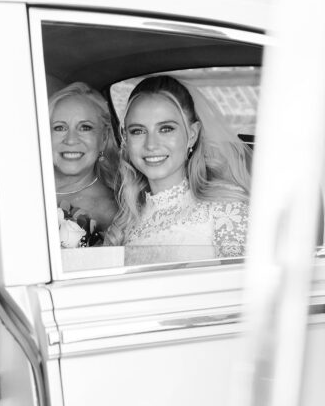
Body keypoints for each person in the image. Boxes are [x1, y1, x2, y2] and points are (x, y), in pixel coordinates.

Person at [107, 74, 251, 264]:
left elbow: (244, 289)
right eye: (138, 131)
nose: (151, 144)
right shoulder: (125, 223)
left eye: (166, 129)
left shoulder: (226, 209)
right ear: (126, 138)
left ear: (192, 135)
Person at [48, 82, 120, 243]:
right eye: (59, 128)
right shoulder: (21, 189)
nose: (71, 140)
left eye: (85, 127)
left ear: (103, 138)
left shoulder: (111, 213)